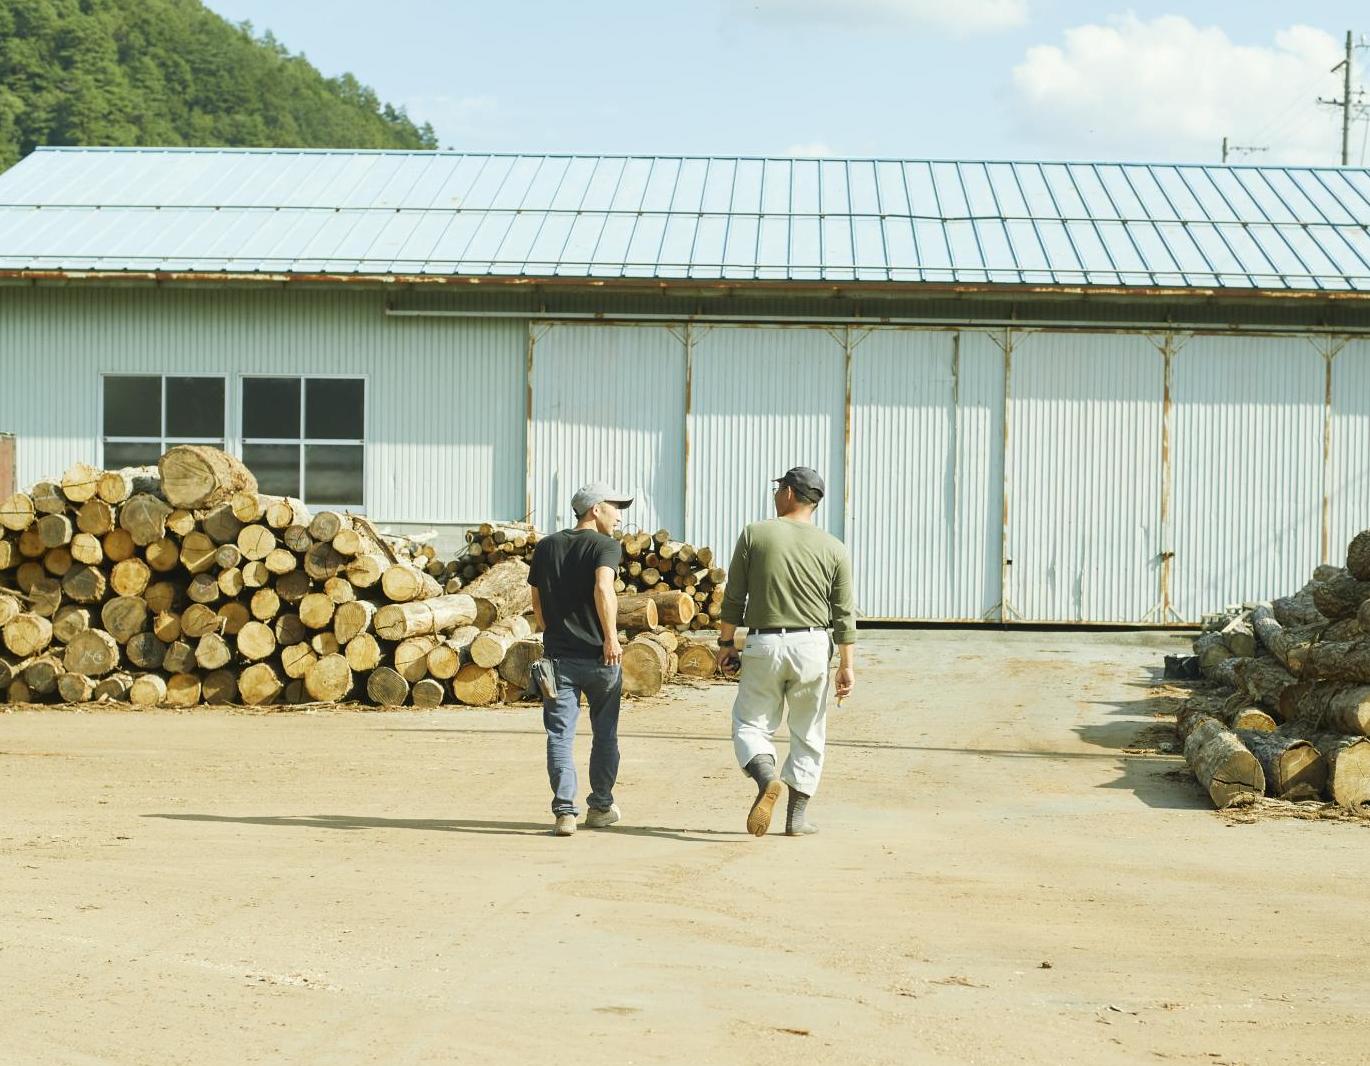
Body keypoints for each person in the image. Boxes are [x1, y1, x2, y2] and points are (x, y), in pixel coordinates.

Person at [716, 466, 856, 838]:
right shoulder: (834, 547)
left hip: (764, 643)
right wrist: (846, 665)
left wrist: (727, 643)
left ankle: (765, 779)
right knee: (809, 731)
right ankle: (796, 818)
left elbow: (734, 597)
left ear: (791, 493)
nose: (776, 494)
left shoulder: (755, 534)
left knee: (750, 724)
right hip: (813, 646)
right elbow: (844, 613)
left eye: (779, 489)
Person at [528, 482, 634, 837]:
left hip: (558, 659)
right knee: (605, 734)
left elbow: (536, 595)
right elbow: (603, 588)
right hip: (601, 659)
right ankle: (601, 807)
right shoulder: (605, 546)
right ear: (595, 509)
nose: (620, 516)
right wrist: (610, 638)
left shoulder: (546, 547)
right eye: (615, 507)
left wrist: (547, 627)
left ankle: (564, 812)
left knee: (559, 735)